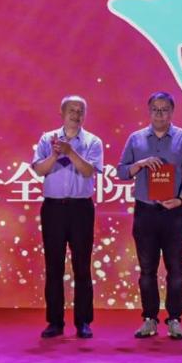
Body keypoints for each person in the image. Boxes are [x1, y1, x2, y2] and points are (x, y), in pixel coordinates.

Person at [117, 91, 182, 340]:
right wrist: (141, 163)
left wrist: (181, 199)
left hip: (173, 212)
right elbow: (122, 172)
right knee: (147, 270)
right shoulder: (136, 139)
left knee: (176, 270)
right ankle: (149, 319)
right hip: (145, 211)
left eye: (164, 110)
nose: (160, 114)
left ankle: (174, 319)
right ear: (149, 111)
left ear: (172, 112)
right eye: (155, 109)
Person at [32, 95, 104, 339]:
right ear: (62, 113)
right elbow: (39, 169)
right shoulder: (47, 139)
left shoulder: (93, 141)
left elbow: (88, 171)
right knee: (54, 266)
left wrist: (70, 151)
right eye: (72, 110)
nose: (76, 114)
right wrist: (55, 154)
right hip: (53, 209)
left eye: (80, 111)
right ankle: (55, 322)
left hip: (81, 209)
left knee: (82, 266)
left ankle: (83, 321)